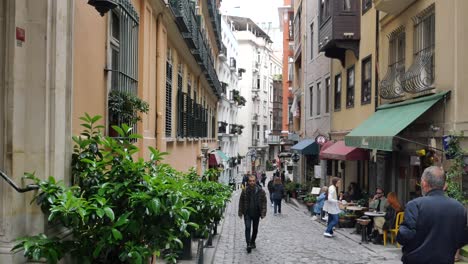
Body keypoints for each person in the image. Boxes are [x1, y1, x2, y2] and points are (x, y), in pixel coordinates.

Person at [397, 166, 467, 264]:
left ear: (424, 183)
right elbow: (462, 239)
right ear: (444, 185)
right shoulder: (459, 208)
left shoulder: (415, 205)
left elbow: (404, 236)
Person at [238, 174, 267, 253]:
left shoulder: (260, 191)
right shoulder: (244, 191)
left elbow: (264, 202)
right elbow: (241, 202)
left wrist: (263, 212)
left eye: (253, 181)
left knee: (255, 229)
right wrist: (240, 212)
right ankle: (248, 244)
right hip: (247, 213)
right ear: (248, 181)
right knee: (247, 228)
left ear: (256, 181)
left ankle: (253, 241)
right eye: (250, 181)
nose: (252, 182)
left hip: (256, 213)